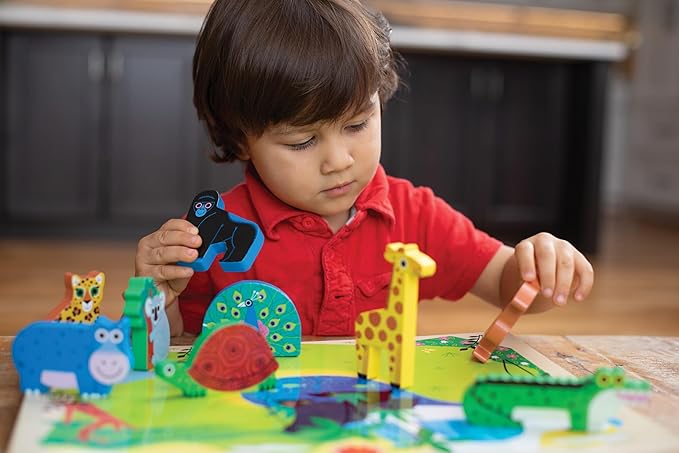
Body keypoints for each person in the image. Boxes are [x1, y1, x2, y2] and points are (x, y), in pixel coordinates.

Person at [135, 0, 594, 337]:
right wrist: (157, 296)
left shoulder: (415, 215)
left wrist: (539, 266)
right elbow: (174, 346)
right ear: (240, 139)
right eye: (302, 141)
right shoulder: (214, 232)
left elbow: (503, 281)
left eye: (357, 124)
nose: (339, 160)